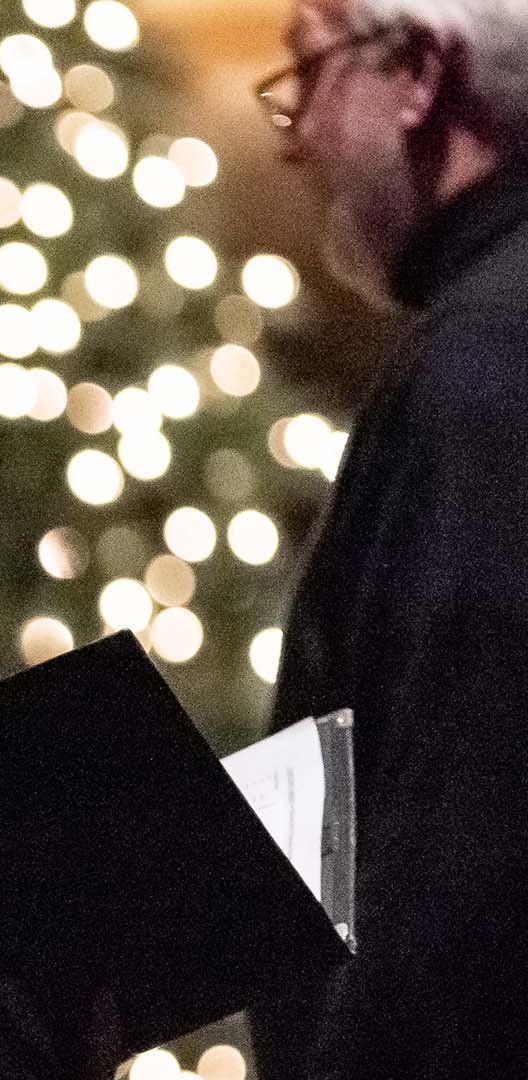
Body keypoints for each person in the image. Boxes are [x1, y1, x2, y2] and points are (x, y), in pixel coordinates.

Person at [251, 0, 528, 1075]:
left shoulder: (487, 367)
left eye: (309, 69)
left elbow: (461, 849)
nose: (292, 134)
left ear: (417, 73)